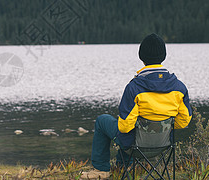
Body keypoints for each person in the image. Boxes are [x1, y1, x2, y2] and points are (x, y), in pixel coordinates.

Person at [81, 33, 192, 179]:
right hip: (163, 145)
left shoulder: (135, 88)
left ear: (142, 56)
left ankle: (101, 170)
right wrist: (159, 127)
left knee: (104, 121)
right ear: (163, 56)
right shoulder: (179, 88)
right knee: (131, 127)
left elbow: (125, 127)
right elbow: (184, 121)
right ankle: (122, 168)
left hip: (136, 146)